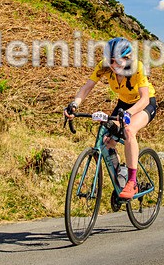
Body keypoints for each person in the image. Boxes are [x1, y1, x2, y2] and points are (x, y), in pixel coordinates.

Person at [63, 37, 157, 200]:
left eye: (117, 61)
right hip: (124, 104)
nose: (113, 65)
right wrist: (74, 104)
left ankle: (132, 181)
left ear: (127, 58)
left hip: (144, 104)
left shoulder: (137, 67)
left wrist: (128, 114)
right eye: (110, 60)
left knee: (129, 130)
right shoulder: (104, 67)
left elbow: (144, 99)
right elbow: (87, 87)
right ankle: (121, 175)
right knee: (107, 141)